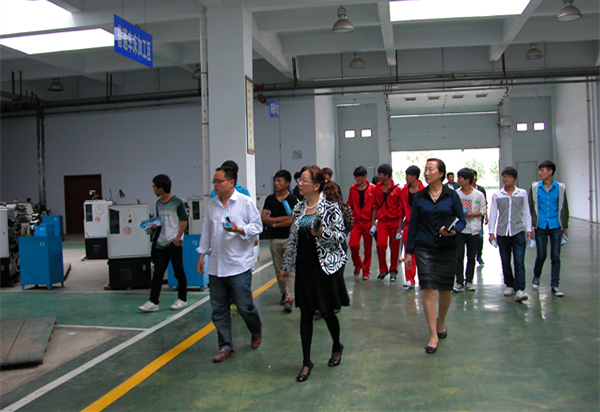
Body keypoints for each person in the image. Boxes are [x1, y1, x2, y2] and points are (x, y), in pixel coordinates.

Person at [280, 165, 349, 382]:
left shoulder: (331, 208)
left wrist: (322, 233)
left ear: (316, 185)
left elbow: (340, 236)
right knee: (306, 313)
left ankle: (336, 345)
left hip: (324, 268)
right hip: (304, 267)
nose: (299, 183)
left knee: (327, 312)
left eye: (304, 180)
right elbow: (293, 240)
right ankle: (306, 361)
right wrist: (286, 266)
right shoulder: (298, 209)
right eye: (299, 180)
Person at [197, 166, 264, 362]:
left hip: (238, 264)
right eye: (214, 182)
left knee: (244, 306)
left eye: (219, 181)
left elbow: (257, 226)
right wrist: (201, 255)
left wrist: (239, 229)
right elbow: (206, 231)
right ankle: (225, 346)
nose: (215, 185)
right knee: (219, 309)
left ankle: (256, 328)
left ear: (231, 182)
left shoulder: (245, 202)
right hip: (216, 265)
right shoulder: (212, 205)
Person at [405, 159, 465, 354]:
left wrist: (454, 231)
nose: (427, 173)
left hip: (448, 248)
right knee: (429, 290)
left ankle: (441, 322)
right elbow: (413, 224)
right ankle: (433, 335)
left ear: (441, 173)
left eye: (431, 169)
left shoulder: (452, 195)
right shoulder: (419, 197)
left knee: (445, 290)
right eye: (426, 169)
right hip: (425, 248)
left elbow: (461, 220)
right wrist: (409, 251)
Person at [138, 174, 189, 312]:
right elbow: (160, 220)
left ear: (160, 188)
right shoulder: (158, 203)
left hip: (174, 242)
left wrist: (177, 239)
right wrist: (155, 224)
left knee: (178, 271)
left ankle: (182, 299)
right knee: (158, 273)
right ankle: (153, 301)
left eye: (154, 186)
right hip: (160, 243)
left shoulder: (177, 203)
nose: (153, 189)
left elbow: (184, 221)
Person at [488, 167, 533, 302]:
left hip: (518, 231)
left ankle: (520, 289)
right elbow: (493, 214)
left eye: (508, 176)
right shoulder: (497, 195)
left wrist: (529, 229)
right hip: (502, 232)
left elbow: (526, 211)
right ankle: (509, 285)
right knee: (505, 261)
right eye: (504, 176)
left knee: (519, 261)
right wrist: (491, 232)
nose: (505, 179)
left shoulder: (522, 193)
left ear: (514, 179)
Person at [528, 160, 569, 297]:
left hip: (555, 226)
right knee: (541, 254)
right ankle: (536, 276)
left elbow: (564, 207)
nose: (540, 173)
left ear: (550, 172)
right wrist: (530, 226)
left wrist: (565, 226)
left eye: (542, 170)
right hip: (540, 226)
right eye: (539, 170)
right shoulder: (535, 187)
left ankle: (555, 285)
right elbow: (530, 207)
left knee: (555, 256)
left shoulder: (560, 188)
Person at [261, 169, 299, 312]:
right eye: (275, 181)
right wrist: (283, 219)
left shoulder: (293, 199)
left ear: (287, 183)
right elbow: (264, 218)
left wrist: (275, 223)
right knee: (278, 270)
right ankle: (284, 293)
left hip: (290, 239)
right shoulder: (270, 199)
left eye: (279, 181)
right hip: (274, 239)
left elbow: (293, 220)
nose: (276, 183)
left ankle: (290, 297)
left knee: (290, 269)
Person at [452, 168, 486, 293]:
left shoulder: (478, 194)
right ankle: (459, 282)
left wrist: (471, 214)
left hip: (473, 230)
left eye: (460, 178)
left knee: (471, 257)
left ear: (467, 180)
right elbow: (451, 209)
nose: (457, 180)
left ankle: (469, 281)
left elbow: (483, 210)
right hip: (459, 230)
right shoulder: (455, 194)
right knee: (458, 257)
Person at [371, 163, 402, 281]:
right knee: (380, 244)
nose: (378, 176)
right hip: (382, 221)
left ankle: (393, 269)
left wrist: (400, 225)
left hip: (394, 221)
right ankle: (383, 269)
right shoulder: (377, 188)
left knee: (395, 247)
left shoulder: (397, 190)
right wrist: (373, 220)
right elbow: (375, 204)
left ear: (387, 175)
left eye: (380, 174)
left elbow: (400, 208)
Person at [397, 165, 425, 289]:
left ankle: (423, 278)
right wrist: (399, 227)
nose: (406, 178)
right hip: (408, 225)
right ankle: (409, 279)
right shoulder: (404, 190)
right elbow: (401, 209)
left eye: (408, 176)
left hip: (422, 226)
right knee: (409, 251)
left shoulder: (424, 191)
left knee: (422, 251)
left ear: (414, 177)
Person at [347, 166, 376, 280]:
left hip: (368, 222)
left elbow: (375, 206)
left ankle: (366, 270)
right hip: (356, 222)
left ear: (365, 176)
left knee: (368, 248)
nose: (357, 179)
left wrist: (373, 221)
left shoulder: (372, 189)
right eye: (356, 177)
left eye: (359, 177)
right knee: (352, 244)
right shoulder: (352, 189)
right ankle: (357, 263)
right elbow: (349, 204)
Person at [472, 170, 488, 266]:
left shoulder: (481, 189)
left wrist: (486, 215)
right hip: (467, 219)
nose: (474, 178)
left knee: (480, 237)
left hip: (478, 218)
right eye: (473, 176)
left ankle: (479, 255)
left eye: (476, 176)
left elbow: (484, 204)